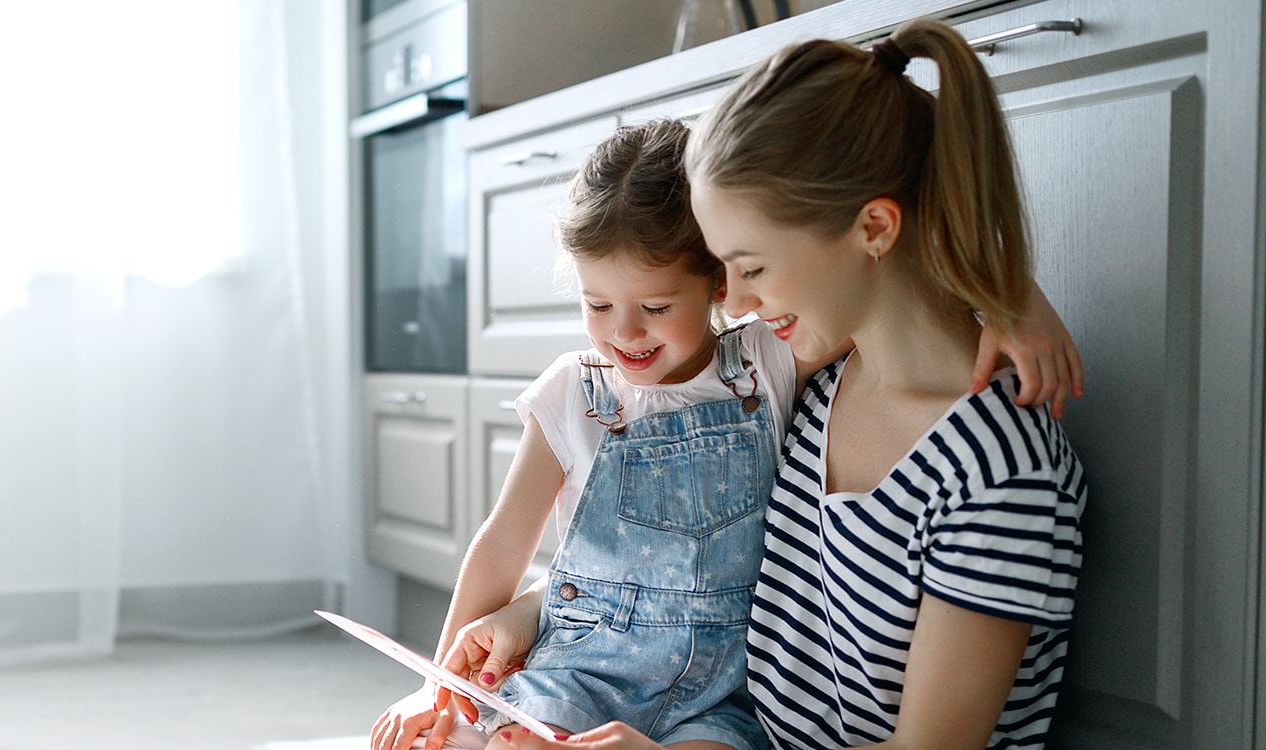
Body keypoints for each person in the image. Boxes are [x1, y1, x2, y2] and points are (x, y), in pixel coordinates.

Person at [371, 110, 1081, 749]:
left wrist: (1013, 295)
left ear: (714, 279)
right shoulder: (574, 391)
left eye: (654, 305)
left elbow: (885, 256)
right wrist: (448, 679)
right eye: (597, 304)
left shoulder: (771, 363)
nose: (625, 332)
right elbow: (503, 540)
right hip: (586, 672)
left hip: (725, 695)